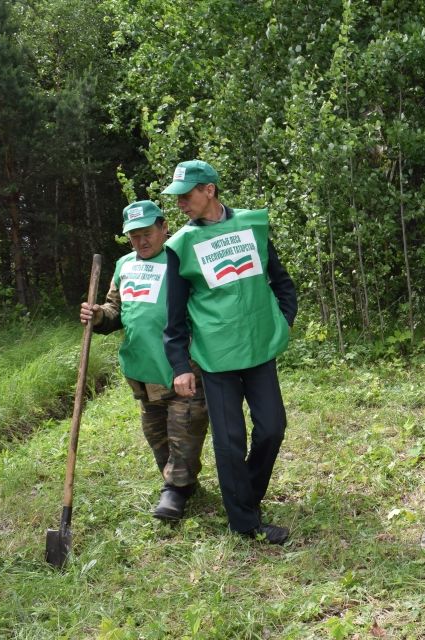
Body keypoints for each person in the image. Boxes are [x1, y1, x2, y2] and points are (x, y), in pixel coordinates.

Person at [162, 159, 296, 544]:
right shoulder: (181, 244)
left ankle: (245, 496)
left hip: (257, 349)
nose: (180, 204)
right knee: (230, 439)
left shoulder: (252, 226)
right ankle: (245, 523)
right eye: (177, 198)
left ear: (209, 190)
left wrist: (282, 321)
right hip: (215, 358)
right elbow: (174, 316)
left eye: (186, 195)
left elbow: (281, 281)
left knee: (272, 428)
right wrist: (179, 365)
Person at [80, 200, 209, 521]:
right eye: (134, 236)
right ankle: (181, 482)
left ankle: (175, 490)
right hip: (142, 373)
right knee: (157, 436)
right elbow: (115, 312)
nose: (142, 241)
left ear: (164, 227)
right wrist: (98, 316)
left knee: (185, 432)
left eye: (147, 233)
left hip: (181, 370)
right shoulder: (124, 265)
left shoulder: (181, 260)